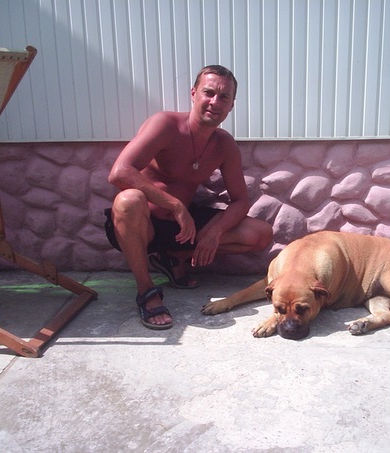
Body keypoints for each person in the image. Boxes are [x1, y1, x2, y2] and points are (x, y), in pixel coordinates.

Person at [105, 65, 273, 330]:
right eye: (209, 93)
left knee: (260, 234)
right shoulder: (165, 124)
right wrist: (175, 205)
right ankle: (146, 290)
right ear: (194, 93)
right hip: (144, 225)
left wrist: (214, 232)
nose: (215, 102)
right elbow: (119, 172)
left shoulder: (224, 144)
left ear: (231, 105)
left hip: (183, 229)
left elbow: (240, 200)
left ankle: (173, 257)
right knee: (128, 200)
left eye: (224, 97)